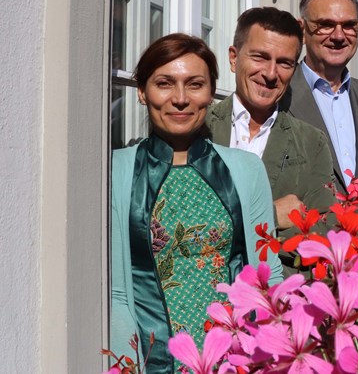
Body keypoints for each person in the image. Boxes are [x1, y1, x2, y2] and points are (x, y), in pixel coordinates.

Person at [110, 34, 282, 372]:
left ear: (211, 92)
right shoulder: (115, 171)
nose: (180, 99)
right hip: (149, 362)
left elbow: (268, 274)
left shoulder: (246, 171)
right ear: (143, 92)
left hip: (235, 360)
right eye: (164, 83)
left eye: (195, 84)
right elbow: (116, 292)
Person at [204, 8, 336, 269]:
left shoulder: (311, 143)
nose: (271, 73)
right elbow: (179, 225)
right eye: (260, 57)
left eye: (284, 63)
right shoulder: (199, 128)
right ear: (233, 58)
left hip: (278, 299)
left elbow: (323, 237)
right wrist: (272, 215)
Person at [281, 0, 358, 193]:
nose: (339, 36)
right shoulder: (279, 97)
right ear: (302, 30)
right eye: (326, 25)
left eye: (349, 25)